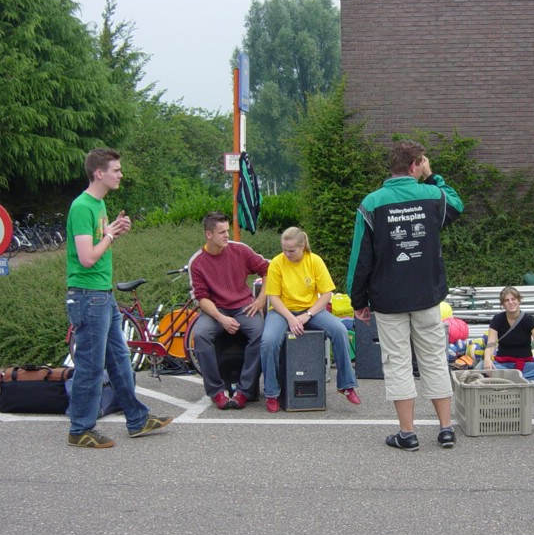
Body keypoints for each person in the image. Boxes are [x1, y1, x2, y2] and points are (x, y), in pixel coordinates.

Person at [347, 139, 464, 451]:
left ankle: (407, 433)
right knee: (435, 360)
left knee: (397, 362)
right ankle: (445, 429)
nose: (424, 165)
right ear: (415, 166)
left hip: (388, 300)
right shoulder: (431, 195)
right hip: (427, 296)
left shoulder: (371, 203)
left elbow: (361, 257)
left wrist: (358, 300)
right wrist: (433, 176)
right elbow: (457, 204)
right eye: (422, 161)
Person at [65, 148, 172, 448]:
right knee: (90, 366)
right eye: (116, 169)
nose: (120, 174)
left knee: (119, 358)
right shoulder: (83, 207)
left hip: (102, 295)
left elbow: (97, 249)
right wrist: (110, 235)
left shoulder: (98, 205)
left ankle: (137, 419)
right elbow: (86, 258)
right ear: (99, 173)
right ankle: (80, 429)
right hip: (88, 296)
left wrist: (114, 233)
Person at [260, 227, 361, 413]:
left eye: (291, 250)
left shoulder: (315, 261)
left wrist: (308, 315)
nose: (287, 254)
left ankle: (346, 384)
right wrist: (291, 318)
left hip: (310, 309)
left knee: (339, 330)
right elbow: (273, 297)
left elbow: (326, 294)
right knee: (268, 341)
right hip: (282, 311)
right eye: (284, 249)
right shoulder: (276, 263)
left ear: (302, 246)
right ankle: (272, 392)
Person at [187, 211, 270, 410]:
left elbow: (269, 269)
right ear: (208, 234)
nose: (227, 236)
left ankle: (244, 391)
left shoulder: (240, 250)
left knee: (260, 334)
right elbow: (201, 298)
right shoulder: (197, 262)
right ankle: (216, 392)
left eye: (227, 231)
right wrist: (221, 319)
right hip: (215, 309)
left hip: (244, 306)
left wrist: (260, 300)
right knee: (200, 336)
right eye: (221, 232)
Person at [482, 286, 534, 386]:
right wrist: (487, 358)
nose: (511, 302)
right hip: (503, 365)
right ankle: (525, 381)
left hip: (526, 365)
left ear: (519, 300)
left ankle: (507, 381)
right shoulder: (497, 319)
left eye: (513, 299)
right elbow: (491, 344)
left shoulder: (529, 320)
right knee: (481, 366)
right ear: (503, 304)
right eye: (507, 300)